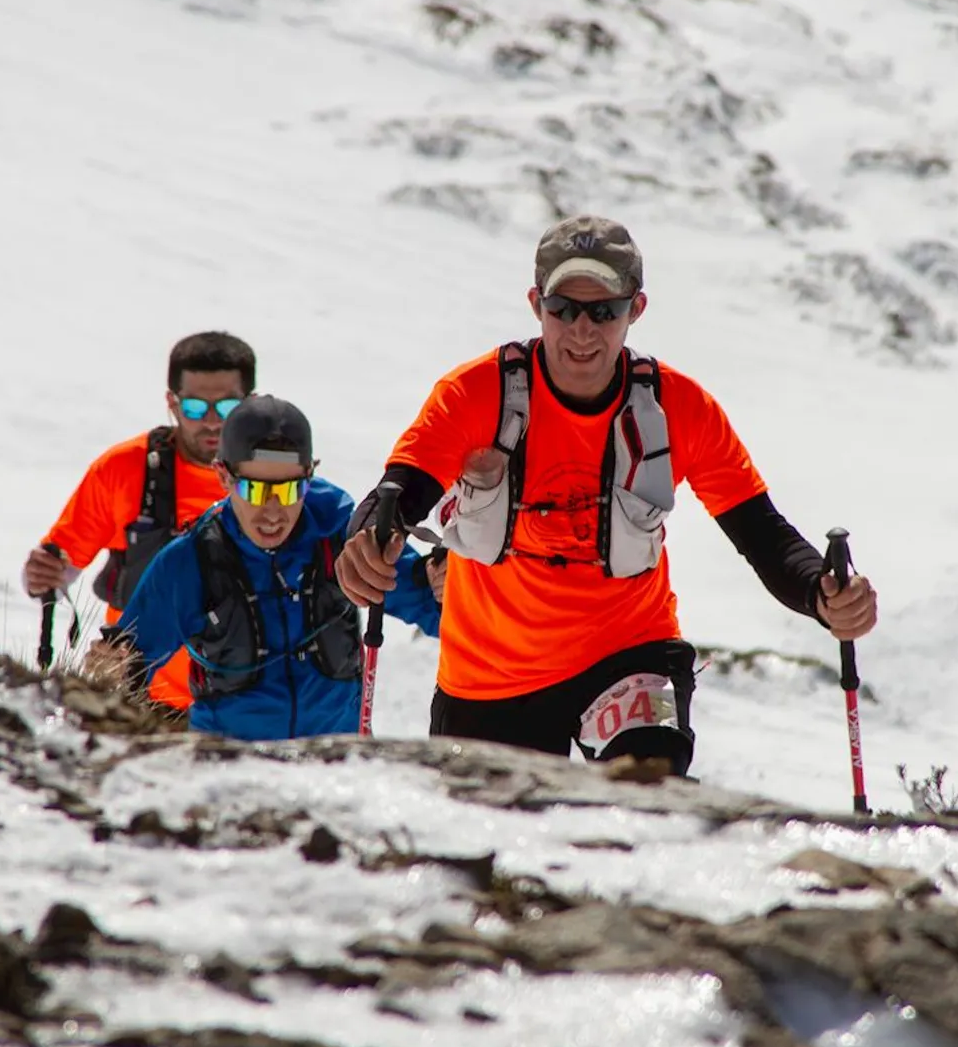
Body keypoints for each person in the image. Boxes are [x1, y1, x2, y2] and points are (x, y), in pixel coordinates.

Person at [334, 215, 878, 775]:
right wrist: (368, 544)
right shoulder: (475, 394)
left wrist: (821, 593)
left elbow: (761, 532)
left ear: (635, 309)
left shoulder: (679, 408)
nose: (582, 331)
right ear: (535, 304)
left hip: (630, 653)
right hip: (492, 670)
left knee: (647, 786)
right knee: (487, 825)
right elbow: (398, 492)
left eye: (604, 312)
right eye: (563, 309)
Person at [111, 395, 443, 740]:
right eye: (253, 490)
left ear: (309, 475)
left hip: (336, 761)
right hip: (230, 762)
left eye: (289, 491)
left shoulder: (340, 534)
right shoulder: (192, 560)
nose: (272, 512)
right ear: (223, 476)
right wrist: (111, 665)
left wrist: (446, 582)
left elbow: (437, 609)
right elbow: (127, 660)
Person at [23, 331, 255, 710]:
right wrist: (40, 576)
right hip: (142, 704)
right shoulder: (122, 470)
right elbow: (58, 568)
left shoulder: (280, 479)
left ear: (251, 403)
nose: (213, 422)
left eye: (228, 407)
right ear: (172, 403)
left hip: (248, 711)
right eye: (195, 408)